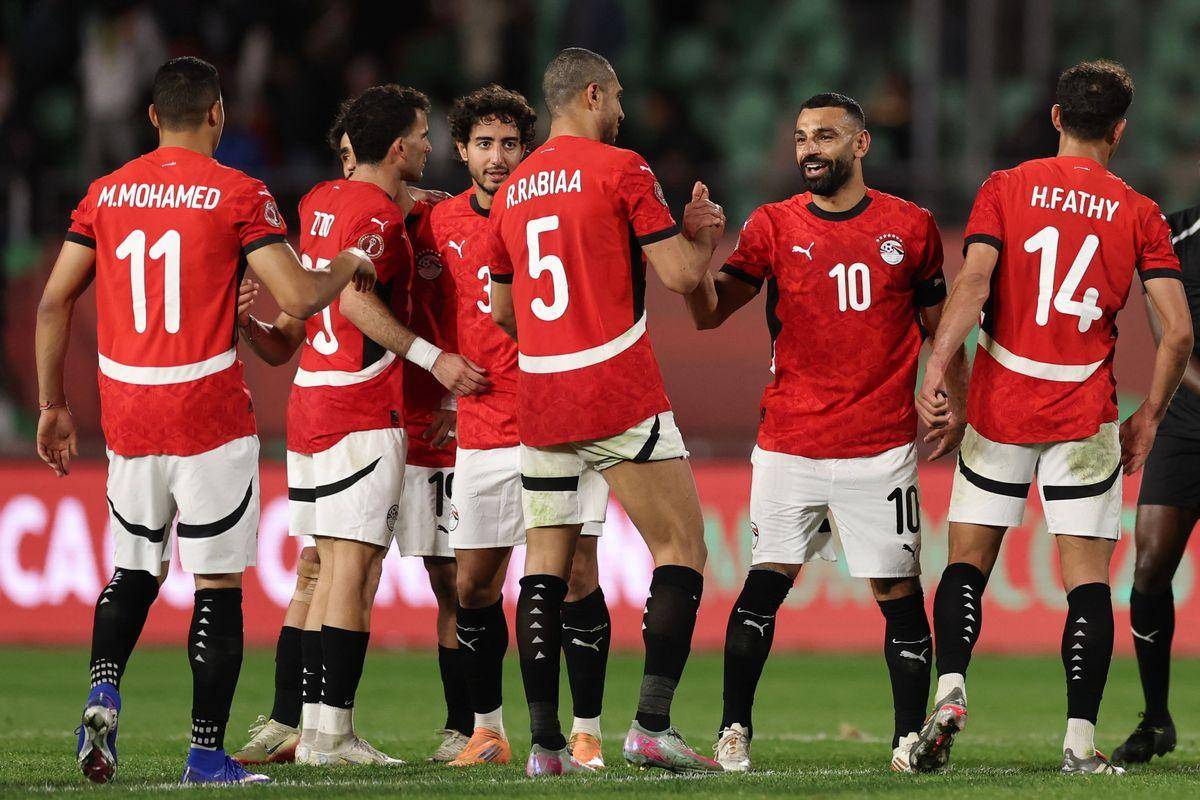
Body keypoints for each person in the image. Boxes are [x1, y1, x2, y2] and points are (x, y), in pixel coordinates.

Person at [36, 56, 375, 786]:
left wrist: (53, 405)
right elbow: (298, 295)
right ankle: (204, 754)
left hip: (129, 414)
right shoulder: (238, 192)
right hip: (208, 415)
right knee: (217, 586)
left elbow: (54, 300)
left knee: (133, 571)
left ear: (152, 116)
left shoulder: (105, 192)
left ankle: (103, 690)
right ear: (218, 114)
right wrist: (349, 262)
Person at [911, 60, 1193, 775]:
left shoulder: (1004, 187)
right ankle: (1076, 743)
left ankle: (950, 692)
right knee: (1087, 582)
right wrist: (1149, 418)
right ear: (1120, 131)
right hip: (1084, 414)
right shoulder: (1140, 212)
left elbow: (974, 283)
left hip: (1001, 404)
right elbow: (1179, 333)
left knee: (966, 564)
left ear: (1057, 117)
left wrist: (937, 366)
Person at [684, 93, 964, 773]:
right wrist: (696, 257)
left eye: (826, 136)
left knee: (898, 594)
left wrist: (953, 398)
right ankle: (733, 730)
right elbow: (708, 314)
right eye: (803, 137)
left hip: (881, 446)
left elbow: (941, 328)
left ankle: (908, 740)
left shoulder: (912, 227)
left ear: (861, 145)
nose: (810, 148)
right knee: (765, 584)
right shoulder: (772, 225)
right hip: (791, 443)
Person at [480, 47, 726, 776]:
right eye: (616, 97)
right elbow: (680, 275)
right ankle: (650, 725)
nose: (620, 110)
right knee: (682, 549)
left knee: (543, 570)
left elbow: (502, 312)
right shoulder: (623, 169)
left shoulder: (512, 190)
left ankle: (545, 747)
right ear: (592, 95)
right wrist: (702, 235)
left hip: (541, 397)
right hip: (615, 389)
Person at [234, 85, 487, 766]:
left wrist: (246, 323)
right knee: (352, 569)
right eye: (424, 135)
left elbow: (299, 317)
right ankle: (331, 735)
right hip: (362, 409)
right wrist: (435, 360)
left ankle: (309, 728)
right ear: (399, 147)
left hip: (311, 405)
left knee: (322, 570)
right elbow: (351, 302)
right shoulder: (378, 216)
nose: (431, 145)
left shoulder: (320, 201)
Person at [431, 84, 611, 769]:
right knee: (472, 586)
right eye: (484, 144)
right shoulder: (439, 222)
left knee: (577, 574)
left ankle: (587, 731)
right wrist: (435, 367)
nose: (498, 157)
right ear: (462, 151)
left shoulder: (551, 209)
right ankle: (487, 732)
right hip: (482, 428)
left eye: (510, 144)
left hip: (559, 421)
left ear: (527, 149)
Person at [1111, 197, 1200, 765]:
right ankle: (1156, 719)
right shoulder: (1174, 232)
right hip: (1185, 420)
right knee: (1148, 568)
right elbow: (1172, 337)